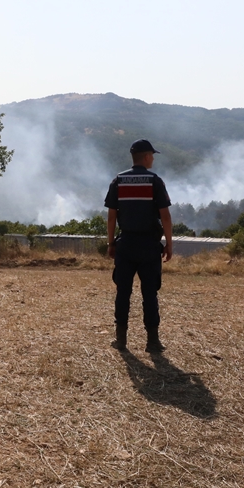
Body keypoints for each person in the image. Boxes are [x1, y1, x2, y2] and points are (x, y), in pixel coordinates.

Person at [104, 139, 174, 352]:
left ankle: (121, 340)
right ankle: (152, 341)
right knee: (149, 293)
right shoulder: (155, 181)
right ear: (146, 157)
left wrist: (111, 243)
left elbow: (111, 217)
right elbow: (165, 216)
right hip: (149, 246)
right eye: (152, 155)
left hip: (126, 244)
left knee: (123, 292)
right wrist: (169, 244)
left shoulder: (118, 180)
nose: (153, 159)